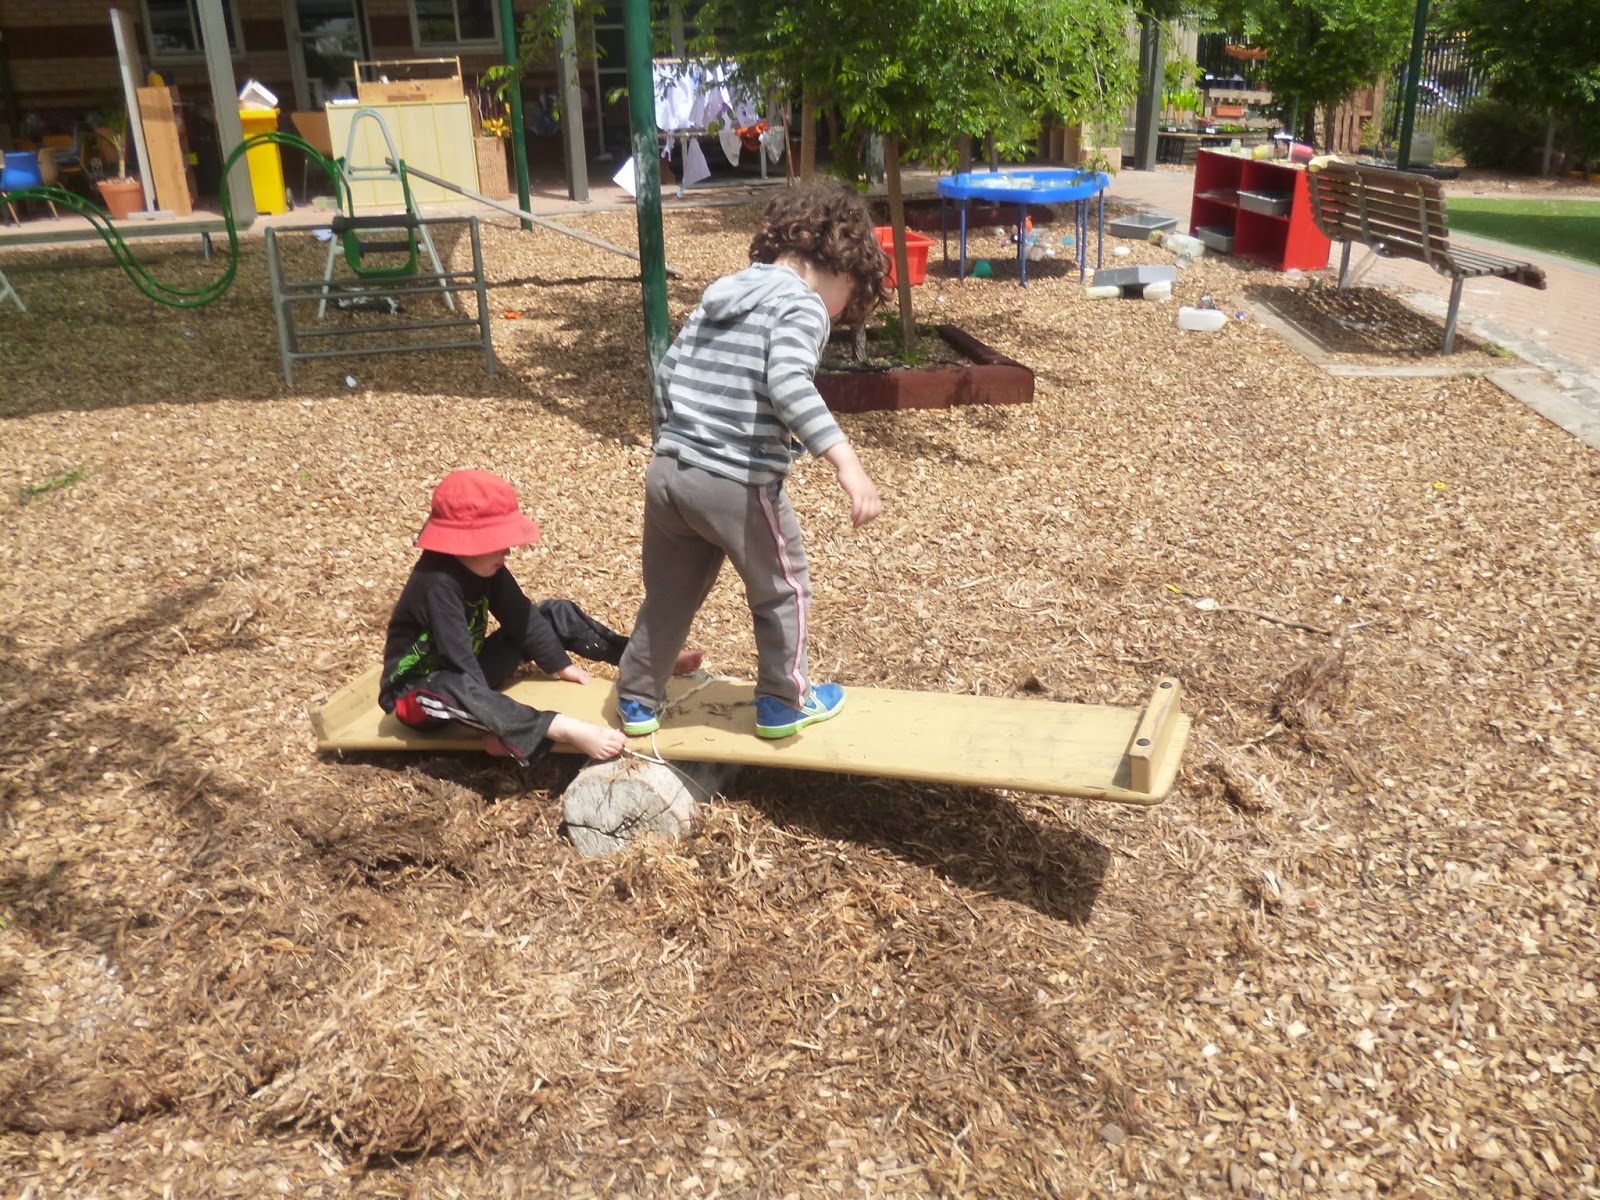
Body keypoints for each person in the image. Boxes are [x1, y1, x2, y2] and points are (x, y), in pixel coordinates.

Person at [616, 180, 888, 741]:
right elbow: (788, 381)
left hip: (669, 474)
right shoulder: (802, 305)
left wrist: (676, 440)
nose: (838, 317)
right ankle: (785, 700)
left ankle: (638, 697)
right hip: (735, 483)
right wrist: (845, 460)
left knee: (669, 593)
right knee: (783, 588)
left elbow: (669, 373)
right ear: (838, 265)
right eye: (850, 299)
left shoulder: (726, 291)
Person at [380, 470, 701, 764]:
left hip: (469, 672)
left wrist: (558, 663)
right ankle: (555, 727)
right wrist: (493, 727)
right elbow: (457, 662)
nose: (507, 551)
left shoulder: (485, 566)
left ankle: (644, 661)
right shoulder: (437, 584)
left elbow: (523, 617)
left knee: (551, 613)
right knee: (454, 684)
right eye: (497, 543)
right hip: (422, 696)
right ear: (462, 543)